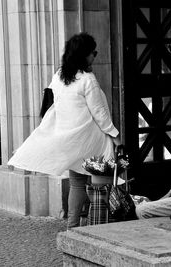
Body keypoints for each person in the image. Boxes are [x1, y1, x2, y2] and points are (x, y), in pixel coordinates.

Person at [7, 33, 121, 228]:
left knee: (77, 184)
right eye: (93, 53)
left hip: (71, 140)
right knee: (100, 183)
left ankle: (72, 225)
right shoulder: (88, 79)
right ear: (84, 55)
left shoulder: (60, 75)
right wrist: (115, 135)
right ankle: (99, 225)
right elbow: (99, 112)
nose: (95, 56)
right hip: (91, 139)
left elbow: (52, 102)